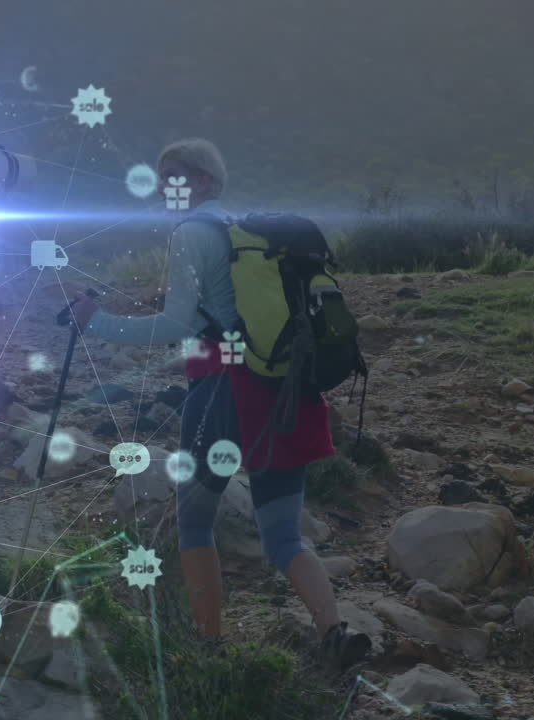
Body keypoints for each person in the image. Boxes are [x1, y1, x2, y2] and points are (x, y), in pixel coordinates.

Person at [65, 138, 370, 671]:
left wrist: (97, 324)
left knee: (195, 522)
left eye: (177, 176)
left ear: (205, 180)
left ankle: (208, 645)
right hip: (283, 388)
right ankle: (334, 632)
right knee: (283, 535)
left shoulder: (191, 234)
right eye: (162, 177)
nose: (166, 187)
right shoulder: (247, 234)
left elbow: (178, 327)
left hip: (221, 394)